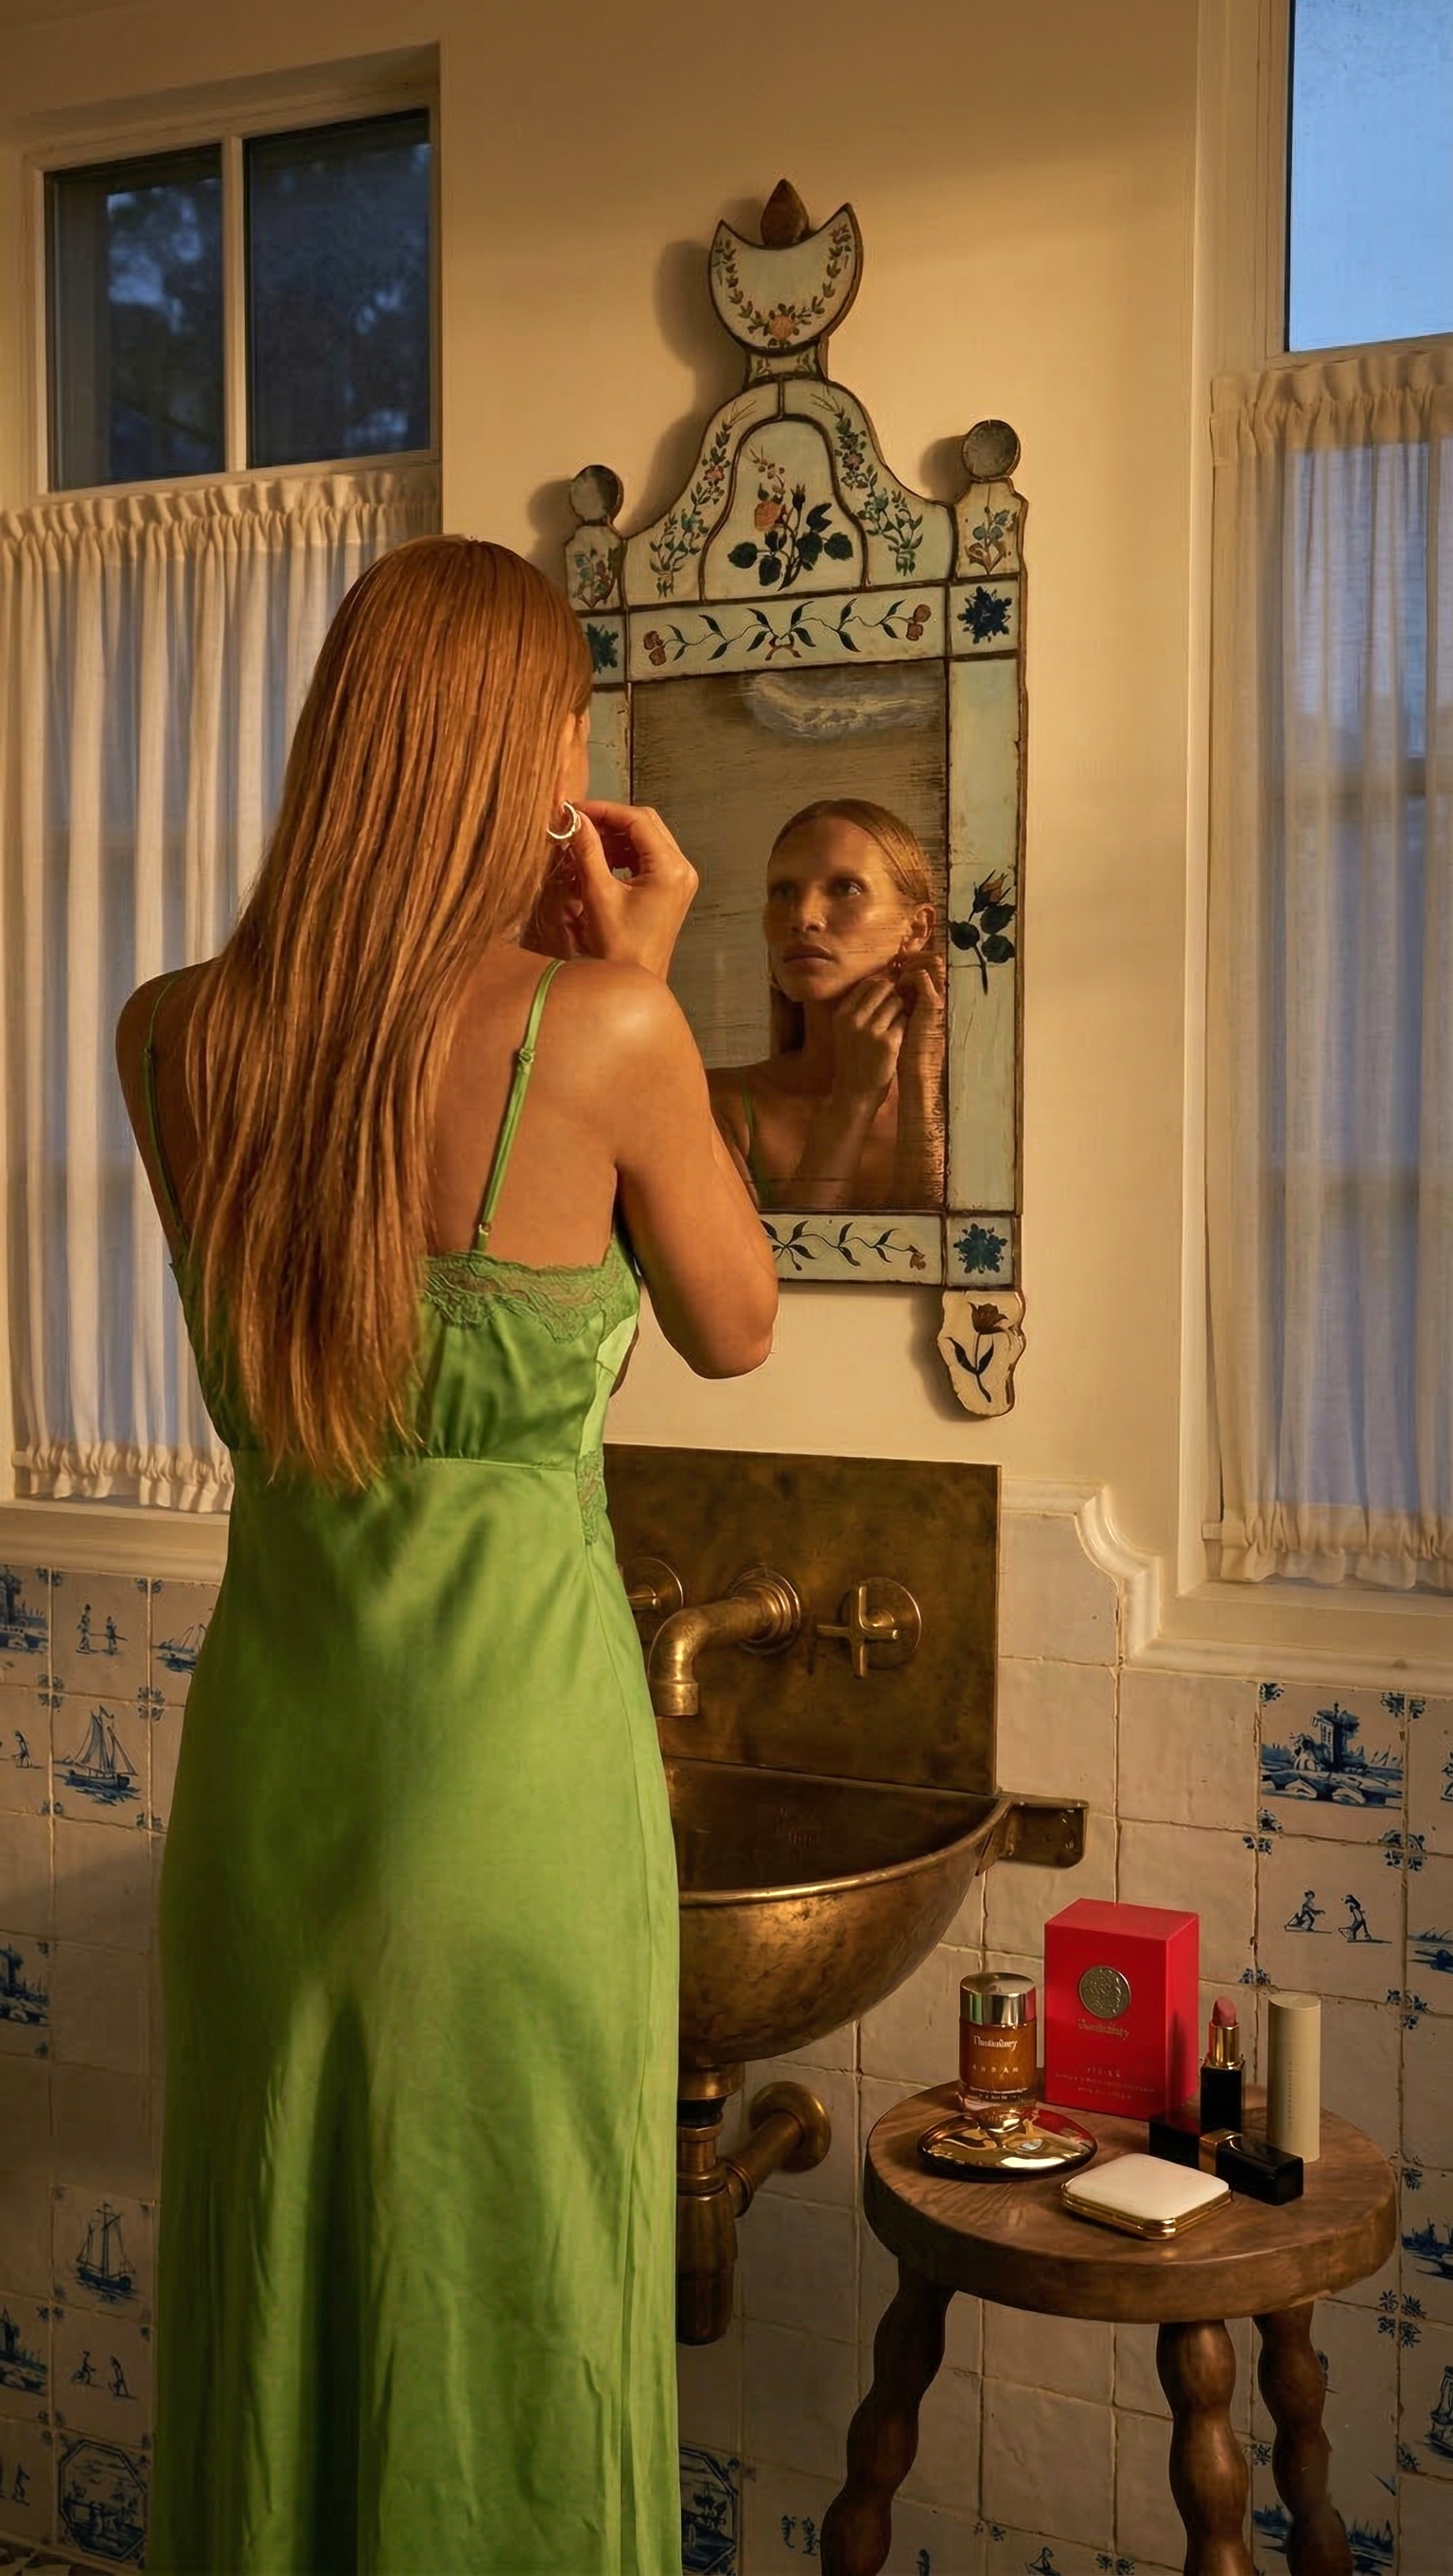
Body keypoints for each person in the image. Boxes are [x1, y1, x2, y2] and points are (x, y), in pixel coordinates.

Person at [114, 535, 777, 2576]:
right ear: (532, 760)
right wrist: (641, 975)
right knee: (512, 2305)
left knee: (279, 2278)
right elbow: (735, 1324)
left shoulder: (177, 1037)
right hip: (509, 1800)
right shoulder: (604, 1033)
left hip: (270, 1794)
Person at [708, 797, 945, 1213]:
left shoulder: (984, 1108)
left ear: (917, 928)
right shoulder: (717, 1104)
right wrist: (851, 1100)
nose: (802, 916)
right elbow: (790, 1271)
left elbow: (930, 1261)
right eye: (783, 892)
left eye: (845, 888)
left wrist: (922, 1086)